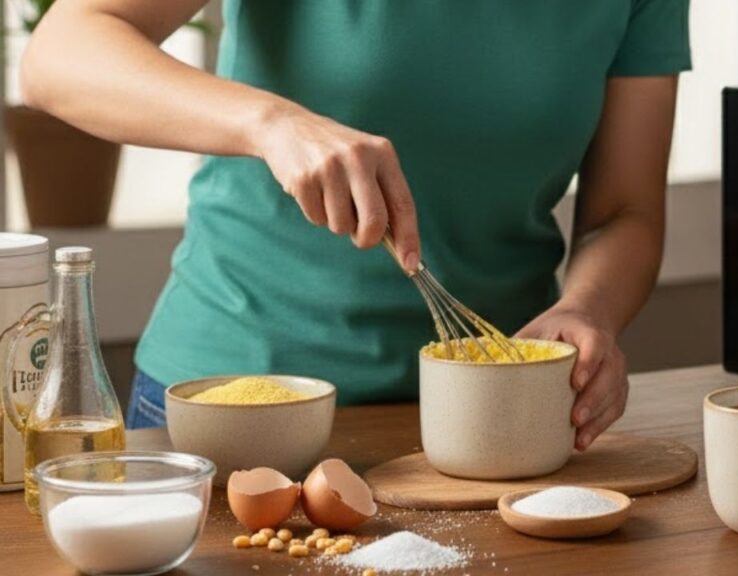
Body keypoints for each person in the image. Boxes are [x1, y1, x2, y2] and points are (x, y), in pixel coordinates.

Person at [21, 1, 690, 450]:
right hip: (237, 410)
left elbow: (624, 213)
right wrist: (272, 124)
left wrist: (588, 309)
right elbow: (61, 53)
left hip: (494, 418)